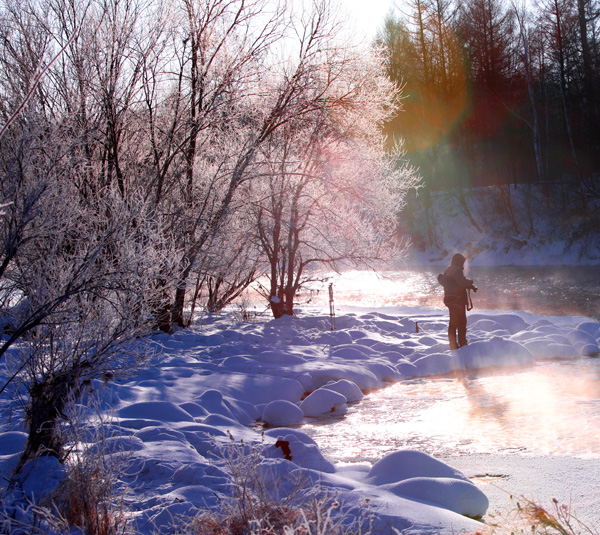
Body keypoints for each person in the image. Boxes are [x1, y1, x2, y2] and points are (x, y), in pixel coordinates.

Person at [438, 253, 477, 350]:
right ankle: (462, 344)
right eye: (462, 262)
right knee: (462, 323)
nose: (463, 265)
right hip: (457, 300)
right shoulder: (456, 270)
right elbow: (462, 282)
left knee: (453, 322)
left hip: (450, 299)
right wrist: (470, 283)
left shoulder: (449, 269)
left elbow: (457, 281)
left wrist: (468, 285)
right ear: (458, 261)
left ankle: (453, 344)